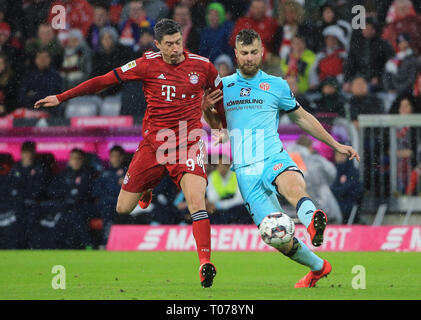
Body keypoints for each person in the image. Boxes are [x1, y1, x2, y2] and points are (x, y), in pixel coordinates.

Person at [34, 19, 222, 288]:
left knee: (196, 203)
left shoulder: (202, 66)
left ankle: (205, 262)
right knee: (123, 208)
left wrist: (220, 127)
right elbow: (103, 81)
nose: (175, 48)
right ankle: (147, 186)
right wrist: (62, 97)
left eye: (178, 42)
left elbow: (220, 98)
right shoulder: (146, 64)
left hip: (189, 143)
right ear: (157, 45)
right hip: (153, 146)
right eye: (168, 44)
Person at [203, 29, 360, 288]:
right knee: (276, 237)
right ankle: (318, 266)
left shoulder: (276, 85)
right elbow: (215, 124)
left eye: (254, 52)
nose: (250, 58)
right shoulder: (223, 86)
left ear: (262, 52)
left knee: (292, 187)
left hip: (272, 156)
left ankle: (312, 223)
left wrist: (335, 144)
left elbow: (303, 117)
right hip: (245, 171)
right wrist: (206, 110)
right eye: (244, 53)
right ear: (236, 54)